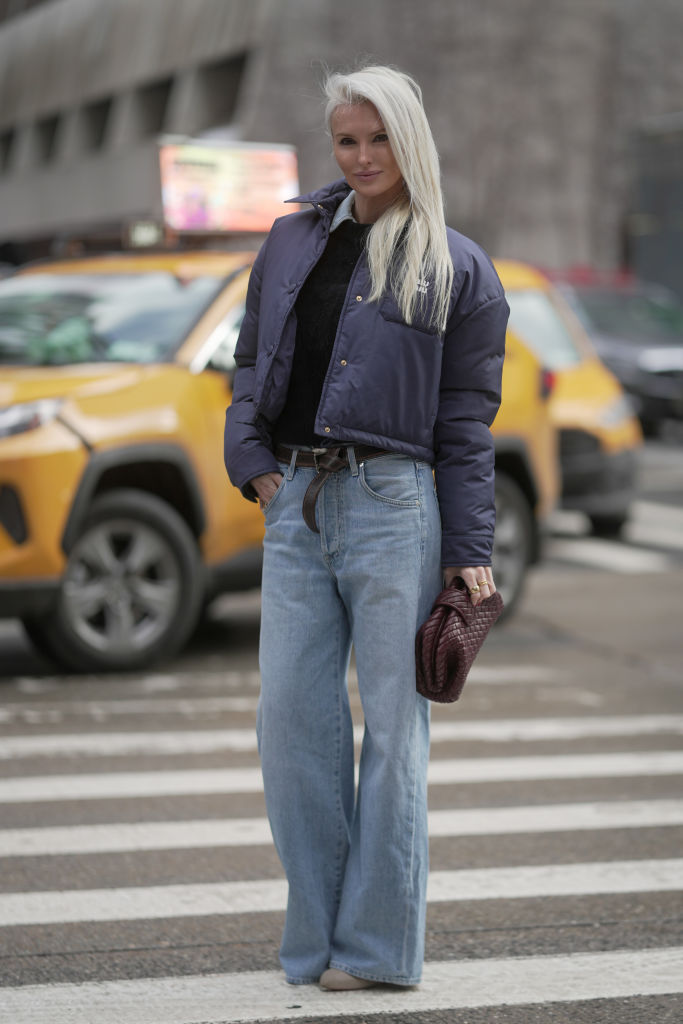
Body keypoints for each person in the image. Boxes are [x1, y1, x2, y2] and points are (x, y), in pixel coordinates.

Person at [224, 64, 508, 991]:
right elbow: (251, 359)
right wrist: (252, 462)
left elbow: (467, 427)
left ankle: (376, 951)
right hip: (295, 506)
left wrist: (469, 552)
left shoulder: (457, 266)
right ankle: (315, 940)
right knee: (292, 730)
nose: (360, 157)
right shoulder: (291, 238)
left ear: (409, 140)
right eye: (346, 140)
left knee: (394, 731)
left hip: (396, 506)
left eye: (378, 139)